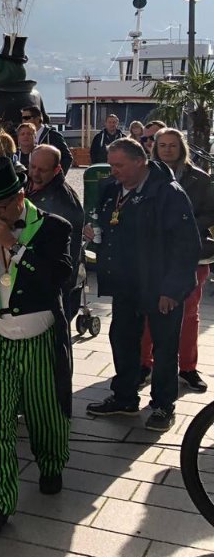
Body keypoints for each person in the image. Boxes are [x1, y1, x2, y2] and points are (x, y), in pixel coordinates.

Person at [0, 157, 73, 538]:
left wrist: (15, 246)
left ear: (20, 197)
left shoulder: (54, 227)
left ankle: (51, 463)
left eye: (1, 207)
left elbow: (60, 278)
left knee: (44, 411)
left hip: (40, 335)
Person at [87, 138, 201, 432]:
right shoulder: (112, 188)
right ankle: (124, 397)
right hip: (125, 283)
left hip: (160, 284)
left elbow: (186, 245)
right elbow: (106, 222)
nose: (114, 171)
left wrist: (172, 290)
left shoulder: (168, 192)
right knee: (122, 339)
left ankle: (163, 405)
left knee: (164, 347)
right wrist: (94, 231)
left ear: (141, 162)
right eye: (111, 165)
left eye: (119, 165)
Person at [141, 128, 213, 394]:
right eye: (162, 145)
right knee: (148, 312)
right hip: (154, 256)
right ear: (155, 148)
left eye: (173, 145)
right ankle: (144, 364)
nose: (168, 149)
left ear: (182, 148)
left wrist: (184, 225)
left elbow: (210, 213)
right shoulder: (145, 176)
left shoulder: (200, 178)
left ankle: (188, 368)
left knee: (189, 314)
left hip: (191, 255)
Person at [25, 144, 85, 319]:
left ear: (57, 169)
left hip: (50, 281)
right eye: (32, 167)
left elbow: (68, 250)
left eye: (42, 170)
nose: (35, 173)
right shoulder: (26, 184)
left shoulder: (64, 200)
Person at [19, 105, 73, 174]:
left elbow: (67, 158)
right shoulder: (22, 136)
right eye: (22, 118)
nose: (23, 121)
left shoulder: (53, 135)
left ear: (38, 119)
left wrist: (57, 176)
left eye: (26, 118)